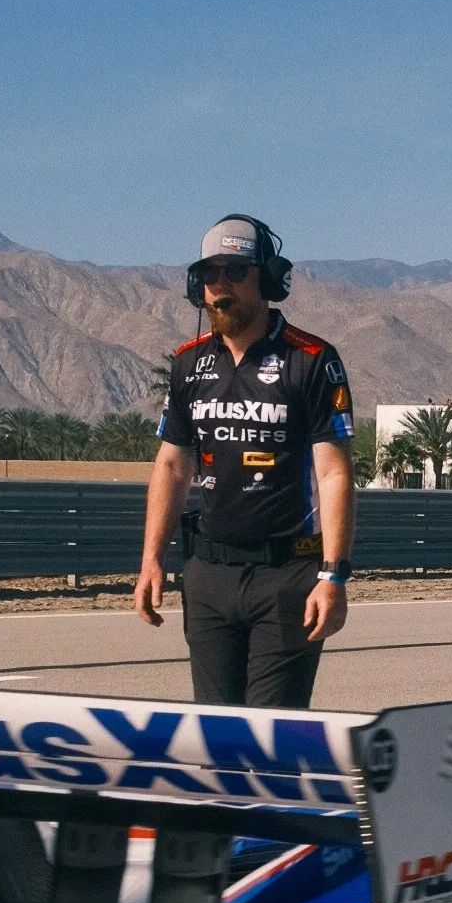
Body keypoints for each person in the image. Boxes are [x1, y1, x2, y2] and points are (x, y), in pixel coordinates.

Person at [132, 214, 355, 708]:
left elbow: (335, 474)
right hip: (208, 576)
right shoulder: (188, 364)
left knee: (272, 738)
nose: (219, 287)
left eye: (235, 271)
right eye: (209, 275)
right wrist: (152, 560)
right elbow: (171, 465)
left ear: (269, 279)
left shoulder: (313, 359)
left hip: (287, 577)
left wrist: (333, 575)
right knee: (218, 736)